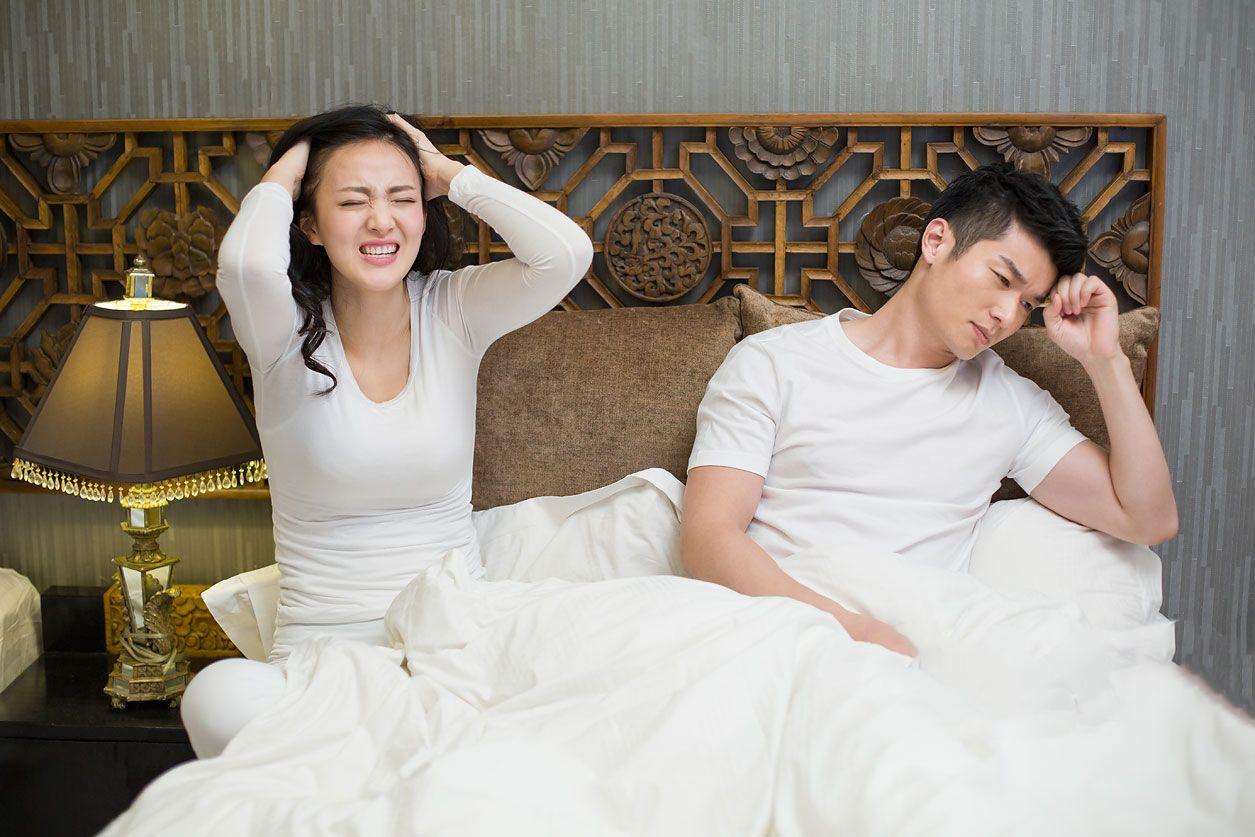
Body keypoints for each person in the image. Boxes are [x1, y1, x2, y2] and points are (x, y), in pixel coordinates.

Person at [180, 104, 593, 757]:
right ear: (309, 224)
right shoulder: (280, 331)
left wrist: (447, 173)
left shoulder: (454, 308)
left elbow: (565, 255)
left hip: (454, 641)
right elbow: (249, 267)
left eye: (402, 198)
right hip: (322, 660)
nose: (381, 220)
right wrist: (289, 168)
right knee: (215, 694)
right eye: (352, 201)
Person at [679, 163, 1178, 657]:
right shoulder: (775, 362)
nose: (1008, 315)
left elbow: (1147, 519)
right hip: (777, 634)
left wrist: (1105, 360)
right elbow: (709, 537)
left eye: (1029, 304)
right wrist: (854, 634)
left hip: (914, 651)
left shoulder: (1009, 404)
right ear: (936, 241)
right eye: (1002, 278)